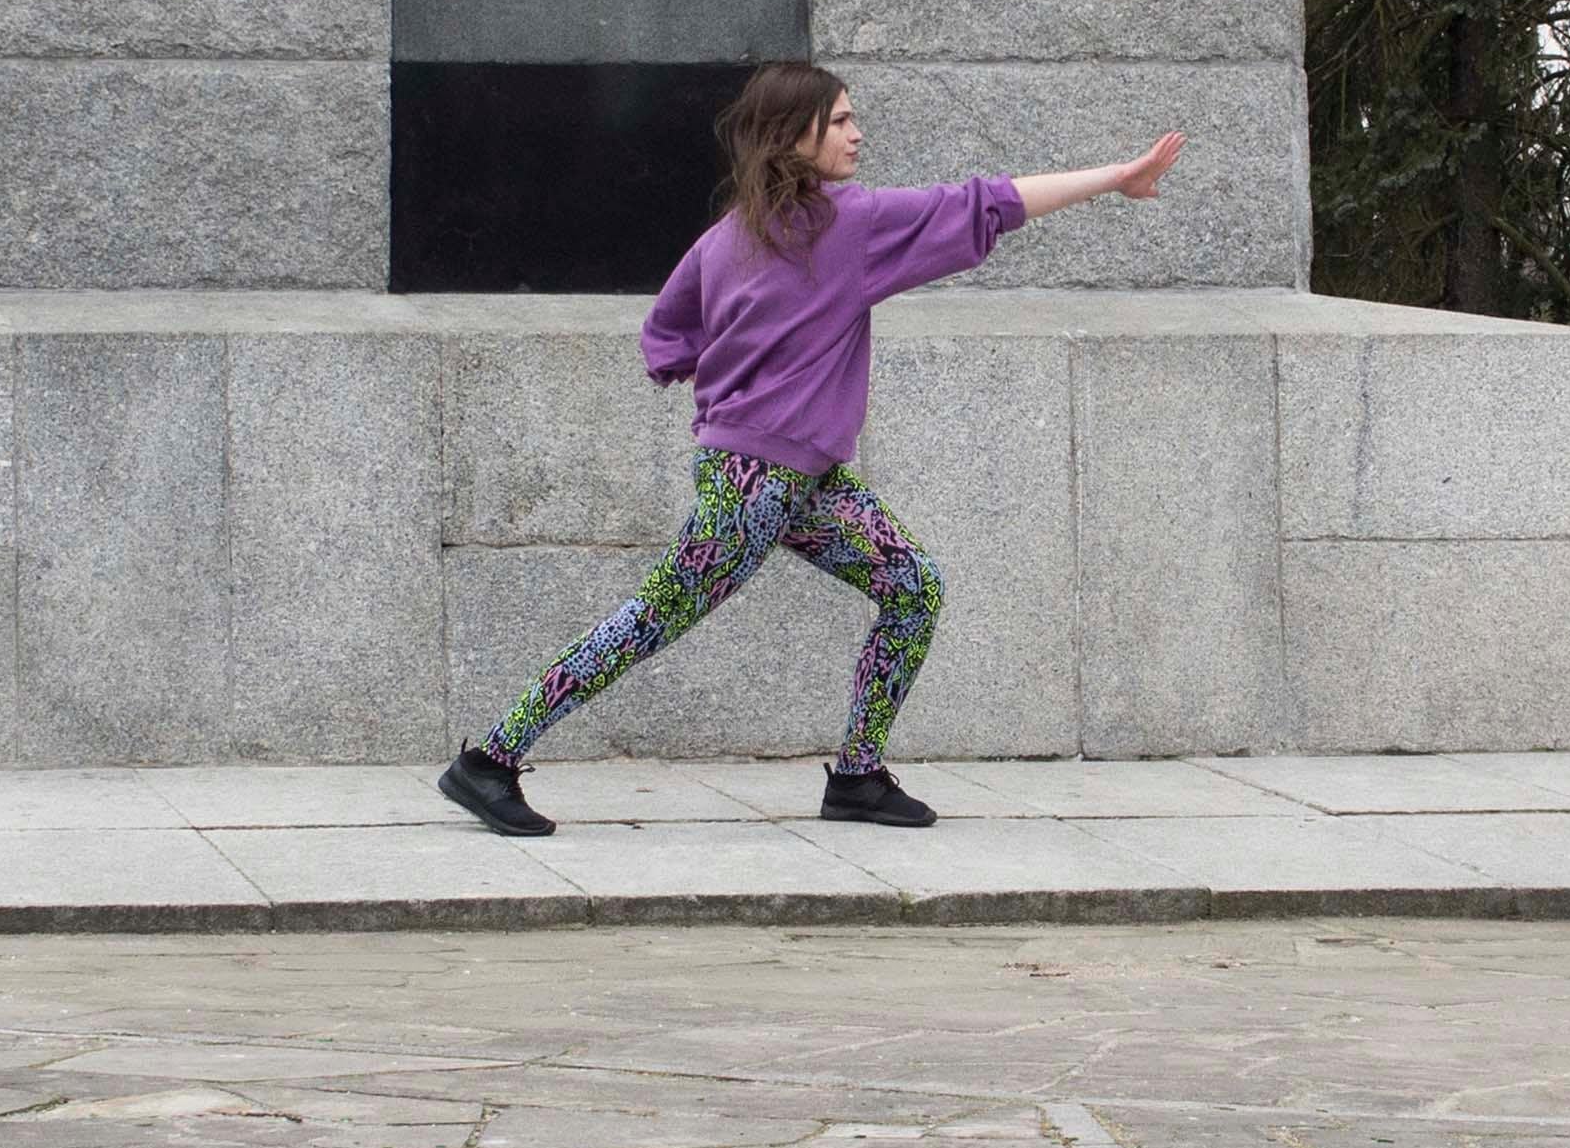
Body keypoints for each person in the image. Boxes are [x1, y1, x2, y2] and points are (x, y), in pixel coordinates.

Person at [435, 63, 1179, 837]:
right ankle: (490, 758)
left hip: (794, 475)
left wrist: (735, 372)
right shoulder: (848, 223)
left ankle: (857, 777)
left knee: (911, 584)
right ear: (794, 135)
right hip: (755, 483)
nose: (858, 134)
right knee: (655, 616)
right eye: (841, 121)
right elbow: (989, 201)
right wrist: (1115, 178)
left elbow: (666, 335)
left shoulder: (728, 236)